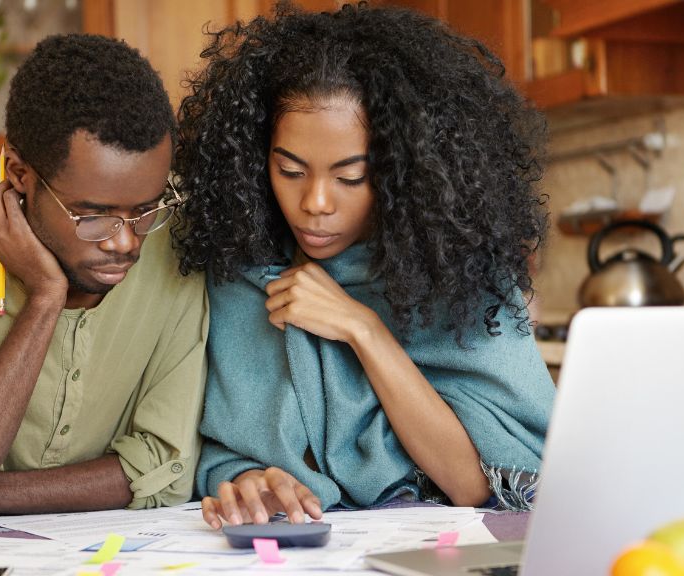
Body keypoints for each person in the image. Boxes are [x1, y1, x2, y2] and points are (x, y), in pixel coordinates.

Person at [173, 2, 556, 529]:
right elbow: (226, 452)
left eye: (350, 177)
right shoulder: (240, 275)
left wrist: (361, 327)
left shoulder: (461, 278)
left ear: (404, 172)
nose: (316, 203)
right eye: (290, 170)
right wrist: (252, 481)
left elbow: (475, 484)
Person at [0, 34, 208, 514]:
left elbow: (163, 470)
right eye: (93, 215)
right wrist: (44, 298)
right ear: (18, 173)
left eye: (145, 209)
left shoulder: (178, 248)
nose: (126, 241)